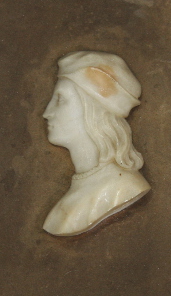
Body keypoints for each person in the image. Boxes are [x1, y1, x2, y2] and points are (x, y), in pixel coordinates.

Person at [42, 51, 150, 236]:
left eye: (60, 99)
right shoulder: (74, 196)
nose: (47, 113)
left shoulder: (122, 189)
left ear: (95, 111)